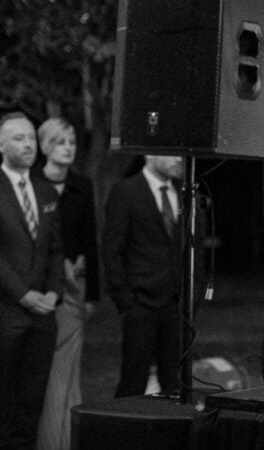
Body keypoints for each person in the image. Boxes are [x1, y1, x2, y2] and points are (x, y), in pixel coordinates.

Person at [33, 118, 99, 450]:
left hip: (75, 291)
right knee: (42, 370)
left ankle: (64, 439)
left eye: (72, 142)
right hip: (40, 288)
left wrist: (93, 296)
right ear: (46, 146)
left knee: (68, 370)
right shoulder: (30, 182)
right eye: (61, 142)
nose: (69, 148)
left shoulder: (81, 186)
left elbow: (90, 241)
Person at [0, 111, 64, 449]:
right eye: (18, 138)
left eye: (30, 138)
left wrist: (54, 291)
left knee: (32, 400)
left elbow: (55, 249)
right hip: (6, 312)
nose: (28, 144)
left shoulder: (46, 192)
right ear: (1, 145)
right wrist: (22, 293)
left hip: (43, 316)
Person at [102, 154, 184, 397]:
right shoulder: (126, 191)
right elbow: (112, 249)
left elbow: (196, 247)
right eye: (171, 153)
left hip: (177, 304)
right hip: (140, 302)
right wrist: (126, 301)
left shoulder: (186, 193)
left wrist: (193, 295)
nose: (179, 159)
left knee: (176, 383)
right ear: (150, 154)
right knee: (134, 379)